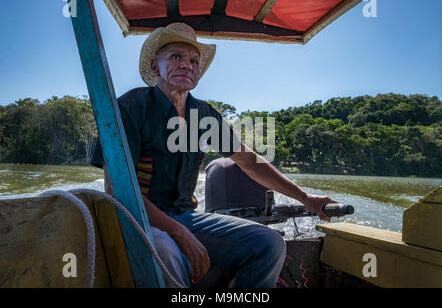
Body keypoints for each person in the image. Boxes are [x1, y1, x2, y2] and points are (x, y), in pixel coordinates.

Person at [91, 22, 337, 288]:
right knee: (164, 250)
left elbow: (248, 160)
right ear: (155, 66)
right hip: (137, 219)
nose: (187, 65)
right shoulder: (129, 109)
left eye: (194, 61)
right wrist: (177, 232)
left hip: (186, 216)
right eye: (176, 57)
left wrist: (305, 197)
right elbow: (117, 193)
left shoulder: (204, 115)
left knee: (270, 243)